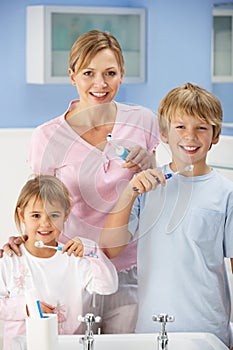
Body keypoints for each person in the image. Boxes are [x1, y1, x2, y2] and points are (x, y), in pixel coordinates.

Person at [2, 30, 160, 333]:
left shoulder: (142, 121)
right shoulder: (47, 137)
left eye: (110, 73)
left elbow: (154, 190)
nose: (100, 84)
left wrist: (148, 162)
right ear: (72, 75)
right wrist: (22, 239)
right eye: (89, 73)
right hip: (72, 271)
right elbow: (42, 201)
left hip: (129, 270)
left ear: (122, 75)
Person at [100, 82, 233, 348]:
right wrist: (130, 192)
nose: (190, 136)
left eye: (201, 128)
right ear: (163, 133)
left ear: (215, 136)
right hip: (151, 331)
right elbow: (111, 249)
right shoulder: (146, 187)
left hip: (207, 331)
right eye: (180, 127)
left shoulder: (226, 193)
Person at [0, 175, 118, 350]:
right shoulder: (9, 259)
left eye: (54, 215)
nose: (45, 223)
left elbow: (108, 286)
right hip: (22, 345)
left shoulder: (74, 259)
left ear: (66, 215)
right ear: (21, 215)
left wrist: (92, 251)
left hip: (66, 345)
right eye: (36, 215)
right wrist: (27, 306)